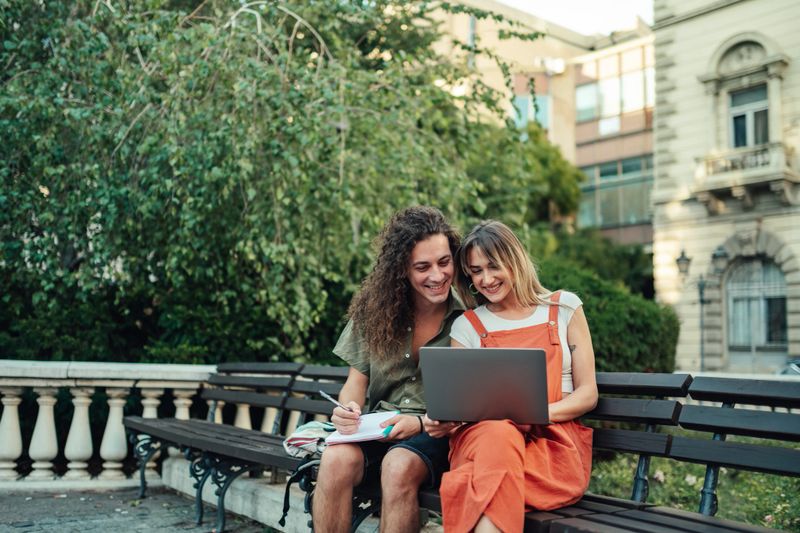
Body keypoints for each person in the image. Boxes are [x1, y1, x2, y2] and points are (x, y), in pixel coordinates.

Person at [424, 220, 597, 533]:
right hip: (481, 443)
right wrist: (444, 420)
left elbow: (588, 394)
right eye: (476, 271)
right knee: (498, 434)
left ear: (514, 259)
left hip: (550, 452)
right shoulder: (468, 326)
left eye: (493, 266)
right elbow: (460, 405)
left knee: (485, 473)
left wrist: (534, 415)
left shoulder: (564, 308)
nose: (486, 279)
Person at [313, 206, 464, 533]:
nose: (437, 276)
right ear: (402, 270)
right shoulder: (375, 311)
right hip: (379, 426)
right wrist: (347, 410)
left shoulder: (471, 314)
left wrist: (420, 422)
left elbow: (475, 401)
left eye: (444, 262)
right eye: (422, 267)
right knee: (335, 459)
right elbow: (356, 382)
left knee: (398, 466)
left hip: (437, 431)